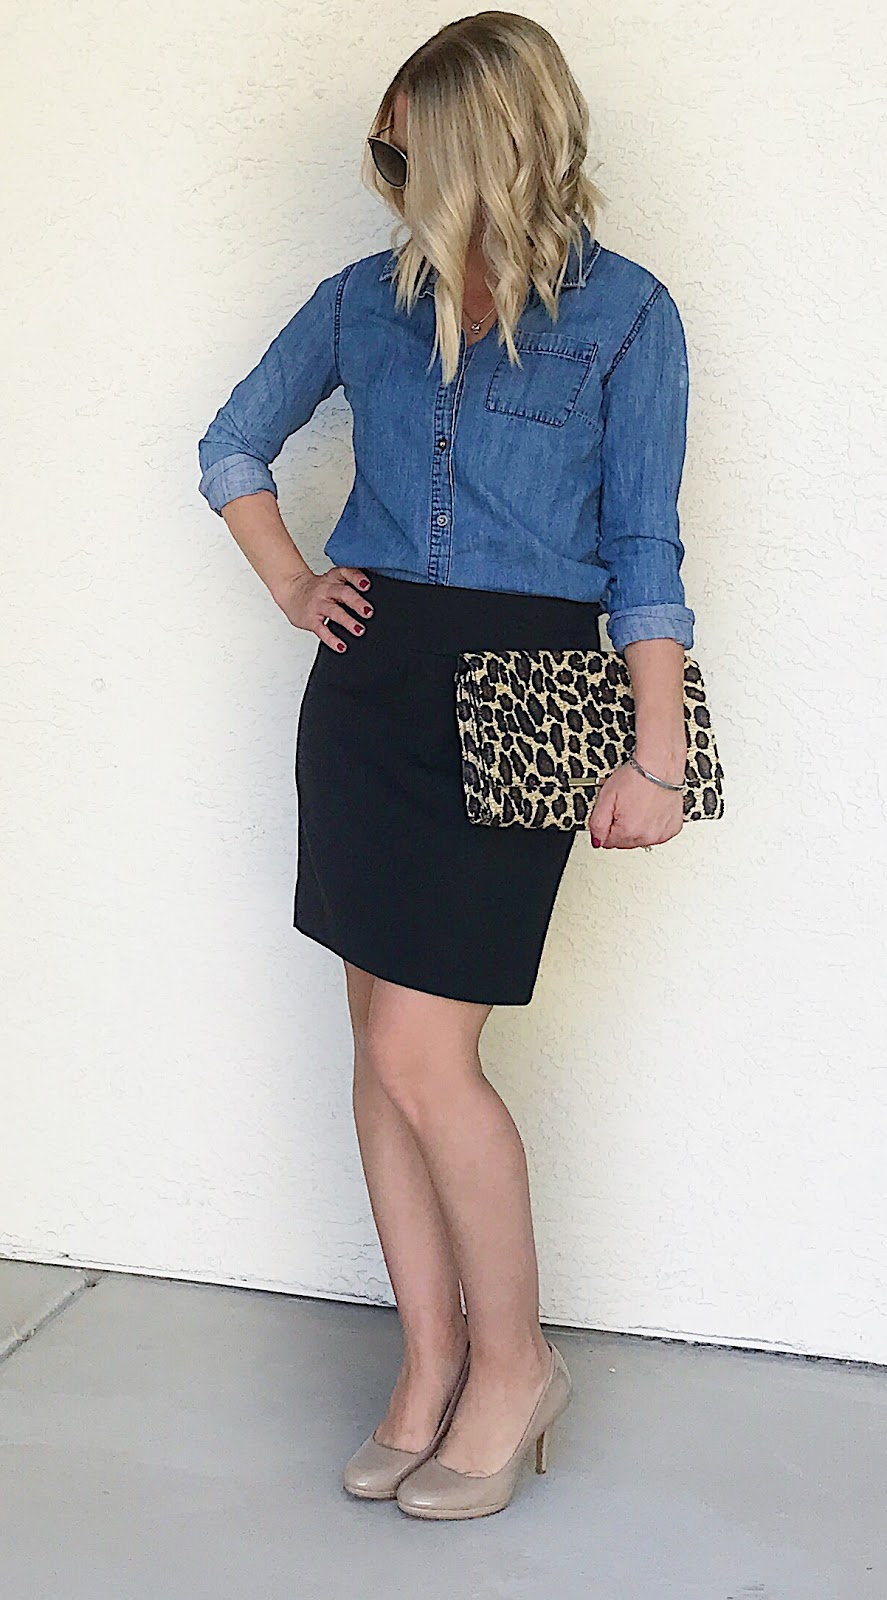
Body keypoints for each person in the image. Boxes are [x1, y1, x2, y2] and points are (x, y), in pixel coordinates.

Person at [197, 12, 695, 1520]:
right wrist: (295, 584)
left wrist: (658, 751)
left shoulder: (626, 315)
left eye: (414, 142)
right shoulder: (366, 300)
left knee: (427, 1052)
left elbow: (643, 548)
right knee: (377, 1041)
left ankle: (516, 1364)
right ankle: (426, 1367)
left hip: (525, 691)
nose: (393, 166)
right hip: (371, 689)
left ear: (491, 139)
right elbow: (231, 447)